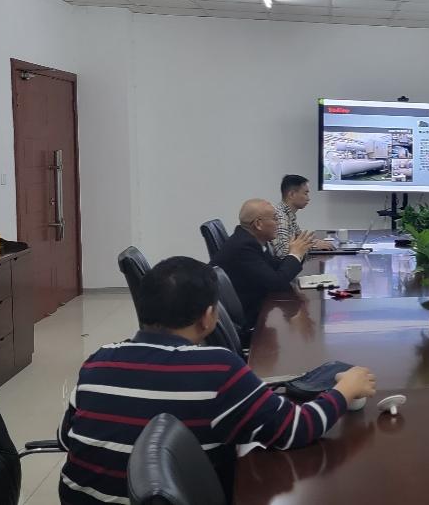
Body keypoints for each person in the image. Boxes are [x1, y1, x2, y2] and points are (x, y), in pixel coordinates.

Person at [58, 256, 376, 504]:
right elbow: (296, 429)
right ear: (209, 317)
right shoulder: (216, 368)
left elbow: (65, 438)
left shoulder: (98, 359)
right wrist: (344, 390)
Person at [213, 198, 316, 328]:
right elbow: (277, 283)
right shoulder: (244, 247)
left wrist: (296, 253)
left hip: (257, 305)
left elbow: (275, 267)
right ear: (258, 224)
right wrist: (295, 254)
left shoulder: (252, 239)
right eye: (275, 219)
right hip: (249, 318)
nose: (278, 224)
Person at [270, 174, 334, 256]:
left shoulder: (289, 215)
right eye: (305, 193)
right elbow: (283, 252)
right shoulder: (281, 217)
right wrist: (313, 246)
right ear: (292, 194)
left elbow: (300, 239)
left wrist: (315, 242)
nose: (308, 198)